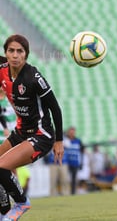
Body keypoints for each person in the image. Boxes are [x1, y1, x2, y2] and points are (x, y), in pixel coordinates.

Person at [0, 34, 64, 220]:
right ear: (6, 53)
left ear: (26, 55)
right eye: (11, 50)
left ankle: (21, 202)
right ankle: (4, 212)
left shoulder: (34, 78)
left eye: (20, 51)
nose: (15, 55)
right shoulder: (2, 70)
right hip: (20, 132)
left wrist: (58, 140)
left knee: (1, 167)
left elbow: (55, 109)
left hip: (41, 135)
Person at [64, 126, 83, 195]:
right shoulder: (65, 140)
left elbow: (82, 152)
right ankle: (66, 193)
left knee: (74, 179)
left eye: (73, 132)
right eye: (70, 132)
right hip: (66, 162)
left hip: (75, 163)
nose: (72, 133)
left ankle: (73, 193)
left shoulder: (78, 141)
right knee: (65, 179)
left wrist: (81, 163)